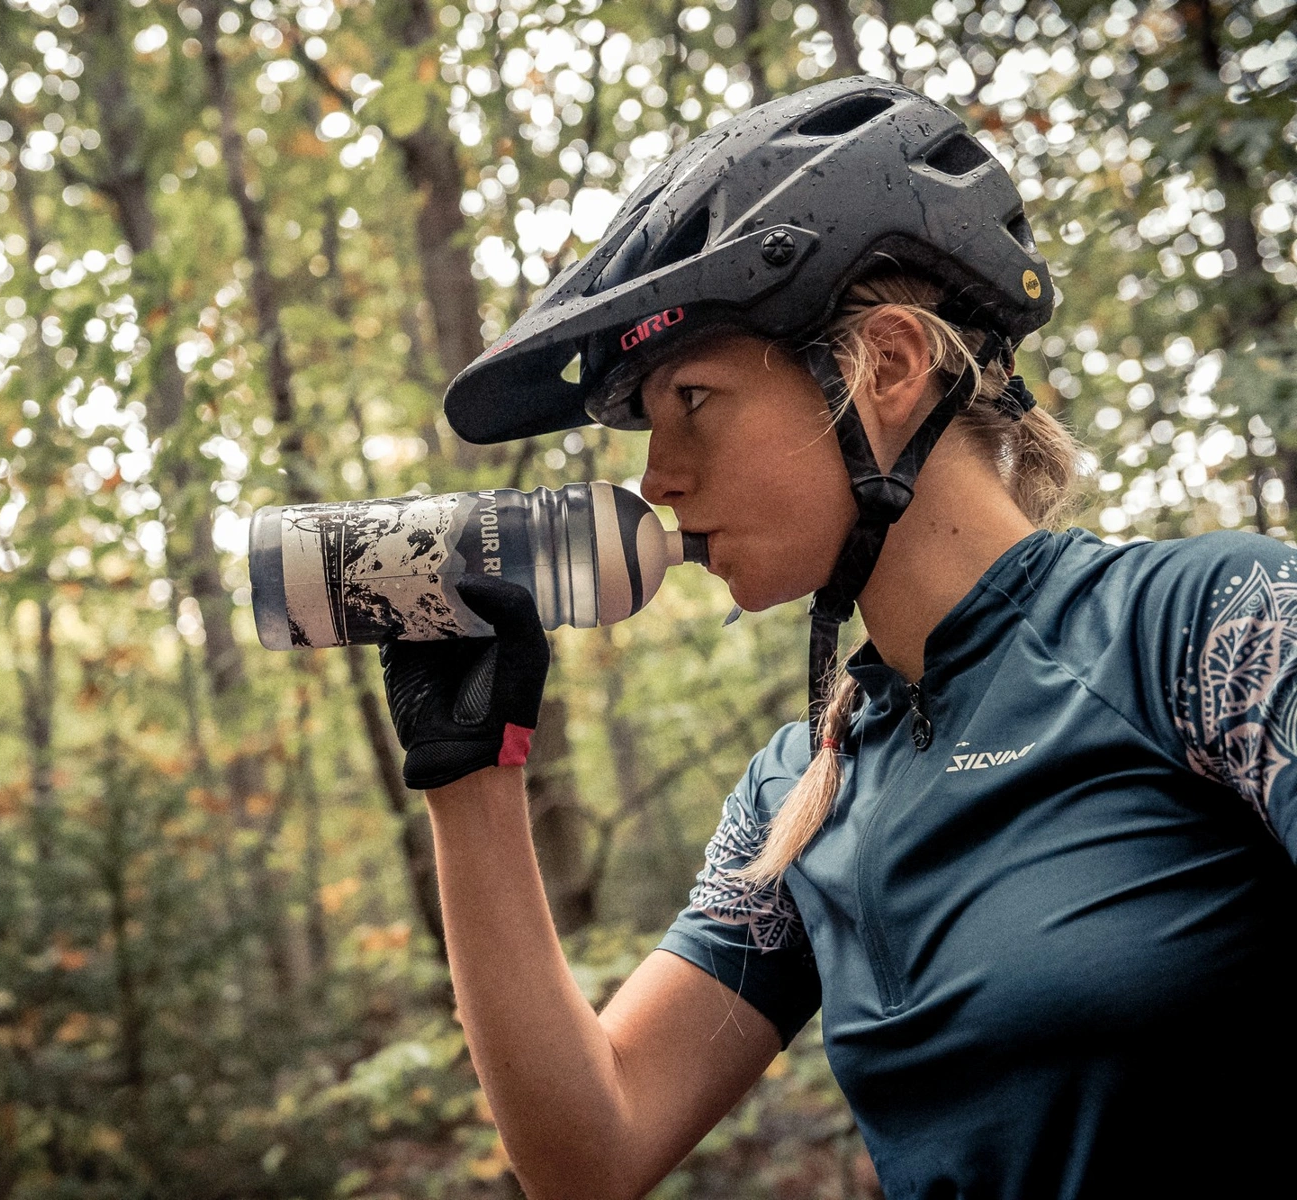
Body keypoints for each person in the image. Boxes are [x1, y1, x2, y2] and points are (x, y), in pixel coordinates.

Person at [379, 76, 1297, 1199]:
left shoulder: (1209, 625)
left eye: (693, 400)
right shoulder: (800, 793)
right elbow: (592, 1152)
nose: (656, 479)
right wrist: (471, 778)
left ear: (890, 368)